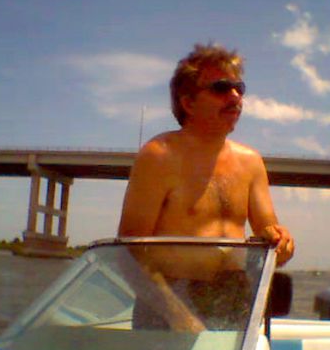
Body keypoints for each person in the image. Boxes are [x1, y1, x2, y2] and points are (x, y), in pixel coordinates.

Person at [118, 42, 294, 266]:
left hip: (236, 286)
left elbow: (270, 234)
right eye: (221, 88)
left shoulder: (251, 162)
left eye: (239, 88)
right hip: (170, 284)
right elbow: (130, 252)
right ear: (188, 103)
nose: (235, 96)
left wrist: (281, 243)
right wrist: (164, 292)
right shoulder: (158, 156)